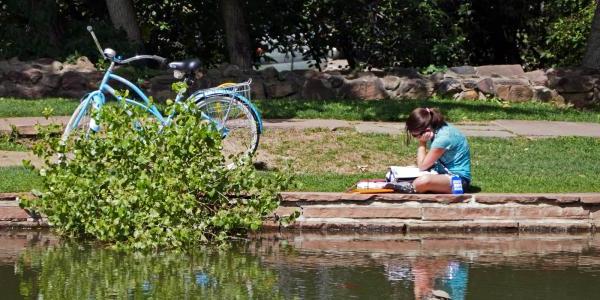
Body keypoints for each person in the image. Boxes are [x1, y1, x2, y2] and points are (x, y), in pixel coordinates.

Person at [400, 107, 471, 193]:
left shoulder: (443, 138)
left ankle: (404, 187)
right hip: (440, 173)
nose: (417, 138)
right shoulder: (437, 128)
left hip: (459, 181)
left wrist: (422, 142)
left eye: (416, 135)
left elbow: (422, 166)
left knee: (422, 181)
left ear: (427, 129)